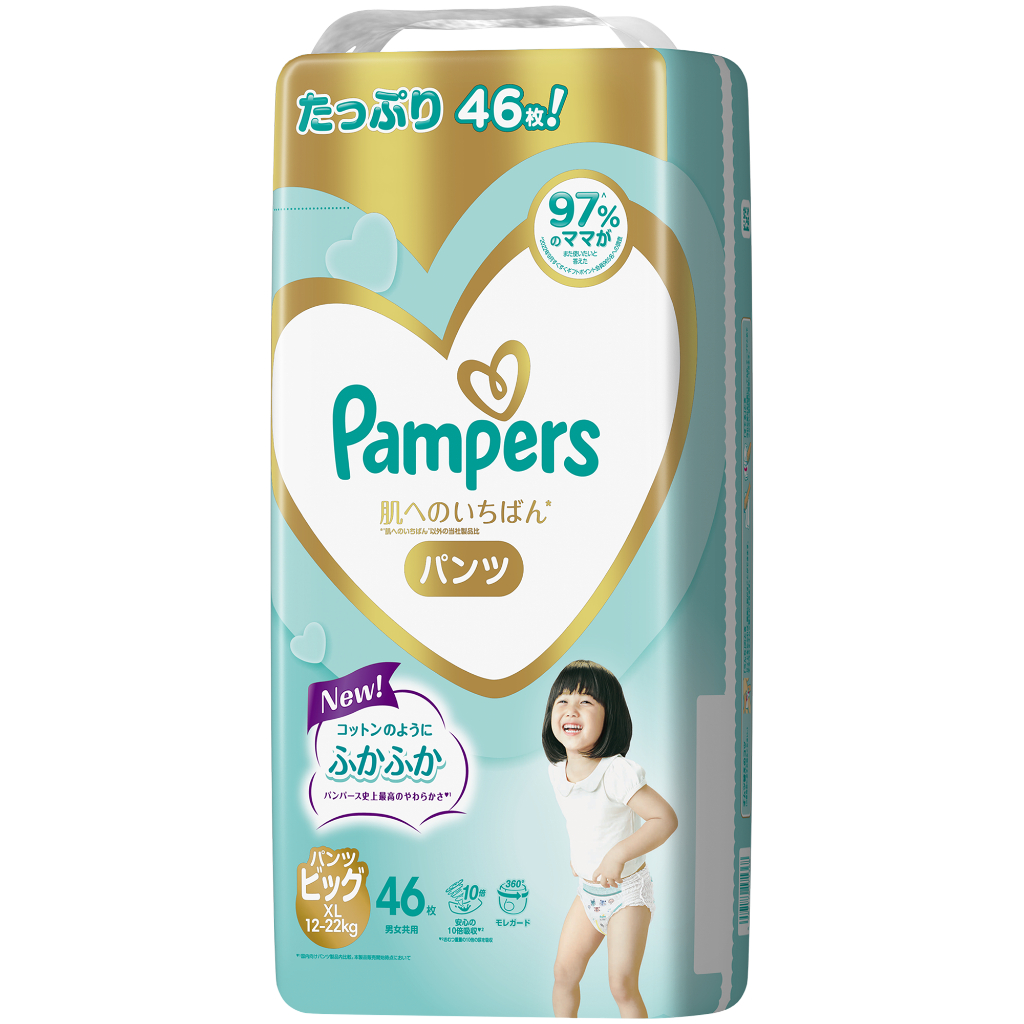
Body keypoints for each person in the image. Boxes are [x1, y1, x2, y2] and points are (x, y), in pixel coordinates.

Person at [543, 660, 678, 1019]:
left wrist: (618, 854)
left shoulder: (616, 772)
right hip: (588, 895)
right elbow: (583, 818)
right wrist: (580, 856)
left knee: (621, 984)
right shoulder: (557, 772)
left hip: (626, 895)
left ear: (610, 716)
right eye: (562, 700)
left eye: (586, 701)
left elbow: (664, 819)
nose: (571, 709)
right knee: (563, 974)